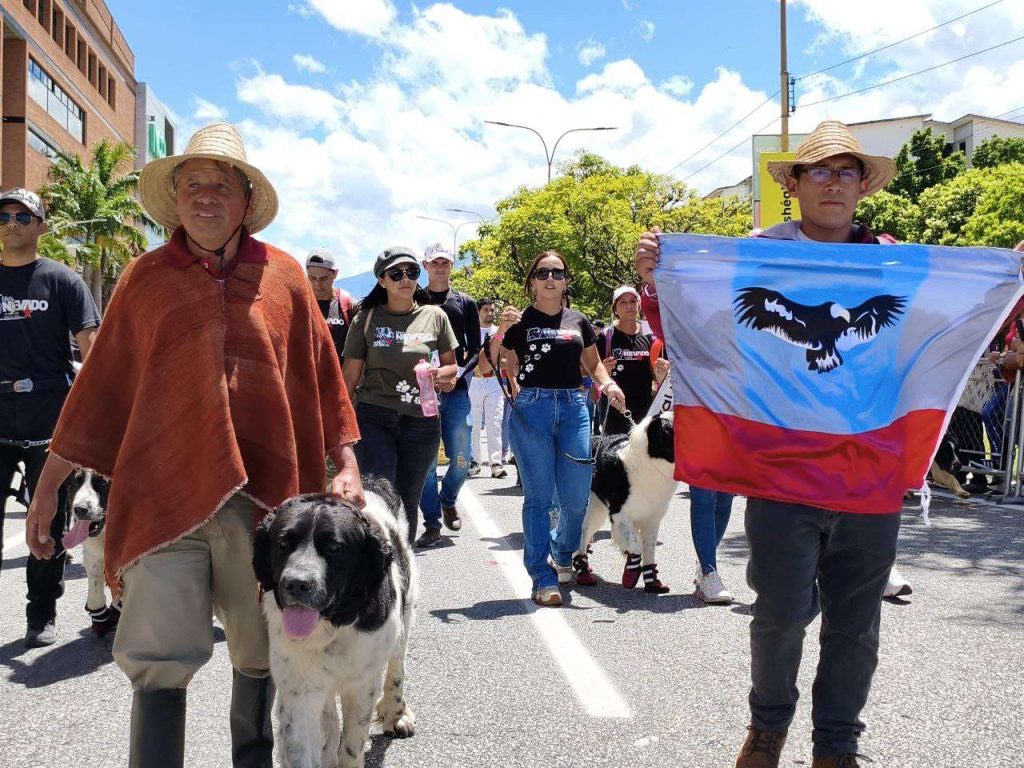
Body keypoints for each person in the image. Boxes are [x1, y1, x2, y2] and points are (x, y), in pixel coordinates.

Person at [25, 123, 363, 768]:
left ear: (244, 199)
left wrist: (345, 461)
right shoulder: (145, 279)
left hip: (264, 510)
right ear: (175, 199)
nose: (205, 197)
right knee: (157, 659)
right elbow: (99, 392)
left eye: (220, 186)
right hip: (161, 497)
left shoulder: (286, 277)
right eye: (192, 185)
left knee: (262, 653)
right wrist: (47, 488)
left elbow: (321, 380)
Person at [636, 121, 907, 767]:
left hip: (870, 474)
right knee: (780, 613)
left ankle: (837, 746)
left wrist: (1006, 277)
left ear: (863, 185)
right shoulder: (752, 255)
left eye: (846, 171)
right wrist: (657, 282)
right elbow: (694, 321)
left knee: (856, 625)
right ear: (793, 183)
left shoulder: (895, 259)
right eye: (820, 170)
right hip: (781, 471)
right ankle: (768, 729)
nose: (834, 182)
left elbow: (953, 325)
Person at [491, 250, 625, 607]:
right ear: (532, 281)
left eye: (558, 272)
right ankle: (541, 576)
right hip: (531, 409)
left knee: (576, 497)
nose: (551, 278)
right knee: (539, 498)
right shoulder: (519, 322)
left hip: (573, 407)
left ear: (566, 281)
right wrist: (502, 332)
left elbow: (594, 366)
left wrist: (608, 385)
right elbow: (490, 364)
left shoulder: (579, 321)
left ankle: (563, 552)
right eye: (543, 272)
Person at [0, 188, 100, 647]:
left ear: (42, 226)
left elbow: (93, 351)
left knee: (47, 523)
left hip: (51, 425)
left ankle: (41, 613)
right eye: (5, 216)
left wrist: (98, 412)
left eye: (24, 217)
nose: (13, 223)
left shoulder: (63, 281)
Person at [343, 247, 458, 544]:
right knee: (379, 494)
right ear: (382, 280)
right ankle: (377, 568)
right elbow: (350, 377)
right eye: (396, 273)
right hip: (374, 416)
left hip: (422, 421)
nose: (405, 279)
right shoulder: (366, 318)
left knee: (407, 500)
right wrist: (337, 427)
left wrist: (440, 376)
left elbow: (452, 368)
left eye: (411, 272)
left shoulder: (435, 315)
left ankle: (401, 575)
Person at [416, 244, 480, 546]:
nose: (440, 267)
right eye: (434, 262)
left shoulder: (465, 302)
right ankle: (431, 522)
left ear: (451, 266)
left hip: (457, 391)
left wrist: (457, 376)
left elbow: (476, 351)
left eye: (445, 262)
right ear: (425, 265)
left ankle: (449, 498)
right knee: (426, 462)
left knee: (461, 458)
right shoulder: (414, 298)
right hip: (421, 391)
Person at [596, 285, 669, 435]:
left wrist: (663, 374)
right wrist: (603, 370)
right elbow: (592, 372)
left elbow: (658, 376)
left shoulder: (652, 336)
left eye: (632, 301)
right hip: (615, 410)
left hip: (646, 410)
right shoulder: (605, 336)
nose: (629, 306)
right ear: (614, 308)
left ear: (639, 305)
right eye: (622, 302)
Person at [468, 297, 508, 478]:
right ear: (478, 312)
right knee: (473, 423)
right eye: (486, 310)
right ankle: (474, 460)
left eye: (492, 310)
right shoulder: (470, 332)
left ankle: (496, 463)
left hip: (494, 381)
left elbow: (506, 356)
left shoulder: (499, 333)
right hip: (473, 381)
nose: (490, 313)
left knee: (494, 422)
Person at [306, 247, 354, 363]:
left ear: (335, 274)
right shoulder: (300, 302)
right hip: (307, 378)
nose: (317, 285)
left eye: (323, 279)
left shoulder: (348, 304)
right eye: (312, 278)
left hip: (340, 377)